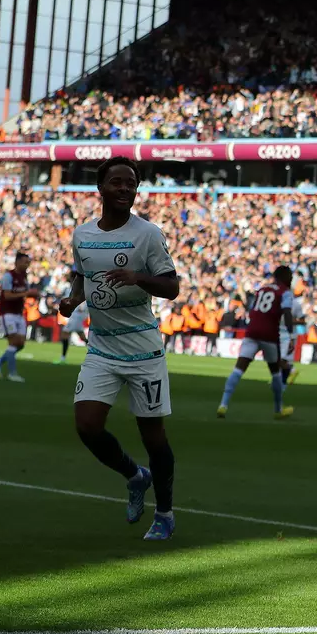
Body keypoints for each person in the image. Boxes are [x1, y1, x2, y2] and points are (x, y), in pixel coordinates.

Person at [59, 156, 181, 541]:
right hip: (101, 349)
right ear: (101, 187)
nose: (125, 188)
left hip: (144, 351)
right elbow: (83, 276)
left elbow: (172, 287)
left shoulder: (147, 234)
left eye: (131, 183)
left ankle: (164, 513)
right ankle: (134, 475)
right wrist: (72, 299)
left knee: (153, 437)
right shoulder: (83, 235)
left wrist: (137, 277)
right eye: (117, 182)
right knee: (87, 426)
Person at [217, 266, 296, 420]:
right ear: (285, 278)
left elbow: (254, 310)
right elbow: (287, 314)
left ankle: (223, 405)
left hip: (252, 331)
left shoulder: (262, 289)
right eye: (290, 276)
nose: (292, 279)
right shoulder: (285, 292)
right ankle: (278, 409)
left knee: (238, 369)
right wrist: (292, 336)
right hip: (270, 335)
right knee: (276, 372)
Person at [0, 252, 38, 383]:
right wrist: (26, 293)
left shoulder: (24, 277)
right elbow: (7, 295)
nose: (27, 264)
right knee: (13, 342)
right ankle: (12, 373)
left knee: (21, 344)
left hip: (18, 313)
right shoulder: (8, 276)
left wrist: (33, 294)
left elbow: (24, 294)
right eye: (25, 262)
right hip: (7, 313)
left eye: (28, 262)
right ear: (17, 262)